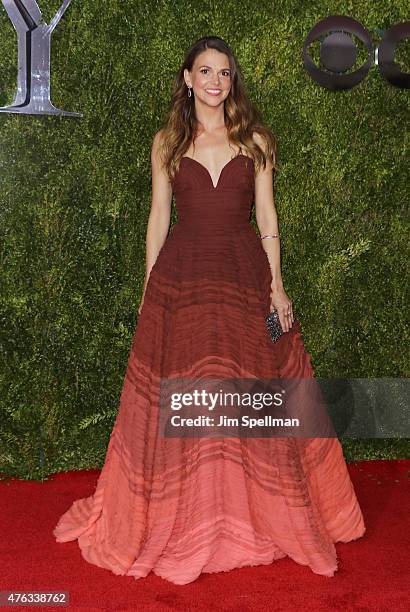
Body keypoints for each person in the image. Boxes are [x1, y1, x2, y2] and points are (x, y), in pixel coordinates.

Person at [53, 36, 365, 585]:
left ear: (231, 80)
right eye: (206, 71)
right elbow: (158, 216)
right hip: (184, 279)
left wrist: (278, 286)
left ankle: (256, 512)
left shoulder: (257, 141)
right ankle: (195, 514)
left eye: (224, 72)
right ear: (188, 78)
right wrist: (152, 286)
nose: (216, 81)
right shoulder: (167, 143)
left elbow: (268, 217)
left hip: (245, 275)